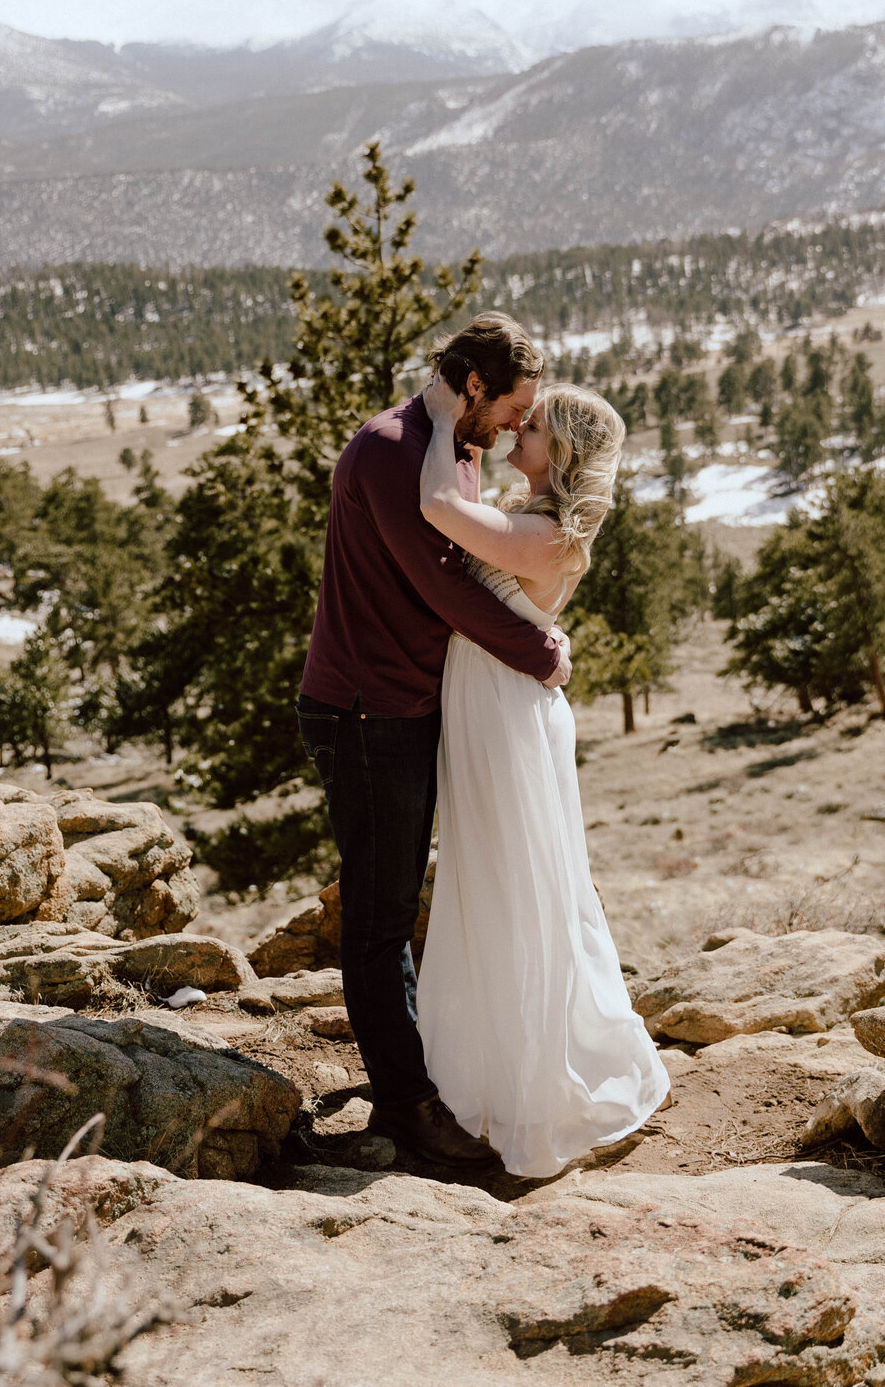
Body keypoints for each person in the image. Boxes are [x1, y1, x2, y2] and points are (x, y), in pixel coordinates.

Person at [296, 311, 572, 1168]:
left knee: (396, 904)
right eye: (516, 407)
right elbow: (441, 586)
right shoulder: (388, 449)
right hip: (364, 711)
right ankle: (407, 1108)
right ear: (477, 385)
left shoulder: (451, 446)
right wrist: (540, 654)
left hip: (404, 706)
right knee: (378, 921)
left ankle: (415, 1076)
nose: (520, 427)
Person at [415, 376, 671, 1178]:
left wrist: (435, 420)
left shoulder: (546, 534)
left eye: (534, 427)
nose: (519, 430)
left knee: (514, 890)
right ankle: (496, 1067)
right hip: (498, 708)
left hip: (503, 719)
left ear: (559, 453)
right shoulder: (537, 523)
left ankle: (531, 1091)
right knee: (501, 882)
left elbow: (436, 509)